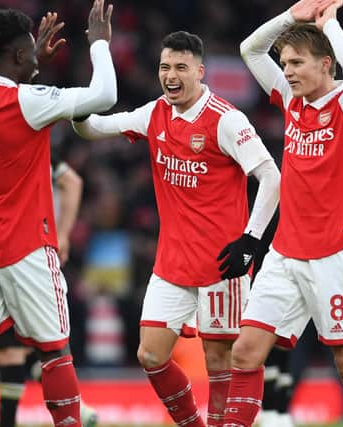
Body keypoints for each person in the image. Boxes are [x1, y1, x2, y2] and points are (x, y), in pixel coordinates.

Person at [73, 31, 280, 427]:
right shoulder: (154, 114)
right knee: (150, 355)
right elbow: (92, 128)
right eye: (165, 67)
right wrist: (76, 97)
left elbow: (271, 176)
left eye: (181, 67)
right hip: (171, 265)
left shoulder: (226, 119)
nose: (171, 75)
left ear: (200, 72)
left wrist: (251, 240)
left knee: (220, 360)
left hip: (223, 265)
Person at [0, 1, 116, 425]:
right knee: (54, 348)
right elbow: (105, 95)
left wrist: (30, 64)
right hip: (24, 246)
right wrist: (99, 45)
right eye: (28, 51)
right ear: (18, 55)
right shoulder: (26, 101)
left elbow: (10, 98)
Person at [222, 0, 343, 426]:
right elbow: (250, 50)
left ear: (326, 64)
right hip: (285, 253)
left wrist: (329, 23)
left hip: (335, 253)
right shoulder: (292, 104)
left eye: (296, 62)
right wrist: (293, 16)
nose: (287, 71)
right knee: (245, 351)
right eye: (285, 63)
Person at [258, 183, 343, 427]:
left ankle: (341, 413)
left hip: (326, 296)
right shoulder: (319, 214)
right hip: (296, 281)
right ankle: (277, 413)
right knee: (283, 354)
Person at [0, 156, 98, 427]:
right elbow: (73, 182)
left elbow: (72, 181)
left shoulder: (21, 151)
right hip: (35, 255)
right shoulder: (31, 149)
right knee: (30, 344)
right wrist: (62, 234)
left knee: (14, 349)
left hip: (21, 256)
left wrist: (62, 234)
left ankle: (12, 422)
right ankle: (79, 411)